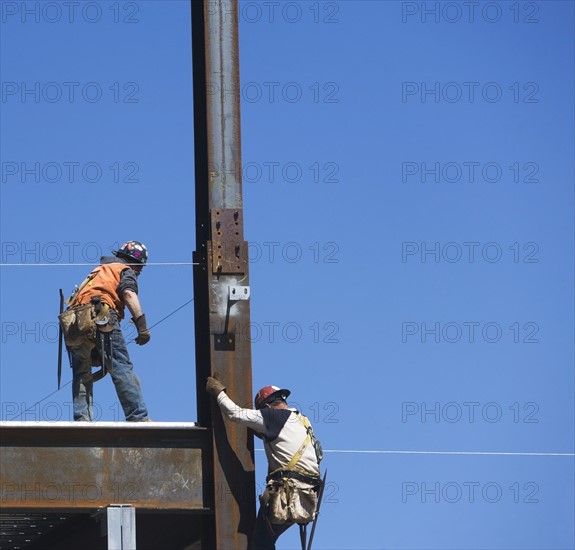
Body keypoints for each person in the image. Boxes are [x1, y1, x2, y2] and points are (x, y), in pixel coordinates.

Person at [206, 376, 322, 549]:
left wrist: (218, 392)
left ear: (266, 407)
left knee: (260, 543)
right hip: (308, 495)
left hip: (287, 493)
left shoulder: (271, 416)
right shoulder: (302, 420)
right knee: (266, 540)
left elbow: (234, 413)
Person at [66, 241, 151, 422]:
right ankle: (138, 417)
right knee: (120, 366)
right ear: (135, 263)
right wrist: (141, 326)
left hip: (75, 320)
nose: (139, 273)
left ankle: (82, 419)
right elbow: (129, 294)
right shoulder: (124, 270)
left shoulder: (99, 272)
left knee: (82, 371)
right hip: (100, 315)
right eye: (140, 269)